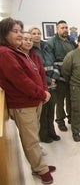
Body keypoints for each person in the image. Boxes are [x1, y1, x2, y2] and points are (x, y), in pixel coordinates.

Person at [0, 18, 55, 184]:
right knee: (30, 140)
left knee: (33, 135)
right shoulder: (5, 53)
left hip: (32, 101)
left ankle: (38, 165)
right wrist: (41, 93)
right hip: (24, 104)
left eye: (20, 31)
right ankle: (40, 170)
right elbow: (21, 80)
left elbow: (36, 74)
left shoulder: (16, 51)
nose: (19, 35)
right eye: (15, 31)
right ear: (4, 33)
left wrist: (42, 92)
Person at [29, 27, 61, 143]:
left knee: (51, 110)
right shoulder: (30, 50)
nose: (36, 35)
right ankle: (43, 135)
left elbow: (55, 63)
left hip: (53, 83)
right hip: (42, 85)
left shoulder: (47, 47)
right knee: (43, 112)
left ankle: (52, 132)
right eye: (34, 33)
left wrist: (54, 77)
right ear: (30, 36)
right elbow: (35, 70)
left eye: (38, 33)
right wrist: (48, 80)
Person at [47, 20, 77, 132]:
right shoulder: (51, 42)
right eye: (62, 28)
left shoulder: (71, 41)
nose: (65, 30)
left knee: (71, 99)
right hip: (59, 77)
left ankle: (71, 118)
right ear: (57, 29)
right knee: (60, 101)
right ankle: (60, 121)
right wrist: (54, 76)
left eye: (66, 28)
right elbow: (51, 60)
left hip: (72, 76)